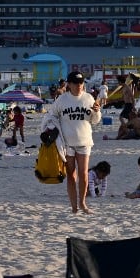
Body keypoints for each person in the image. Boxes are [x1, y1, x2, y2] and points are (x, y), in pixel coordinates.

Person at [42, 71, 102, 214]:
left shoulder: (89, 98)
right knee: (71, 175)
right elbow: (51, 116)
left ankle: (82, 203)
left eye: (81, 83)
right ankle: (74, 207)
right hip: (67, 143)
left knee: (84, 174)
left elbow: (94, 121)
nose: (79, 85)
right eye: (75, 83)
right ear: (69, 84)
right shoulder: (62, 100)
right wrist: (49, 131)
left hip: (84, 141)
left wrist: (97, 112)